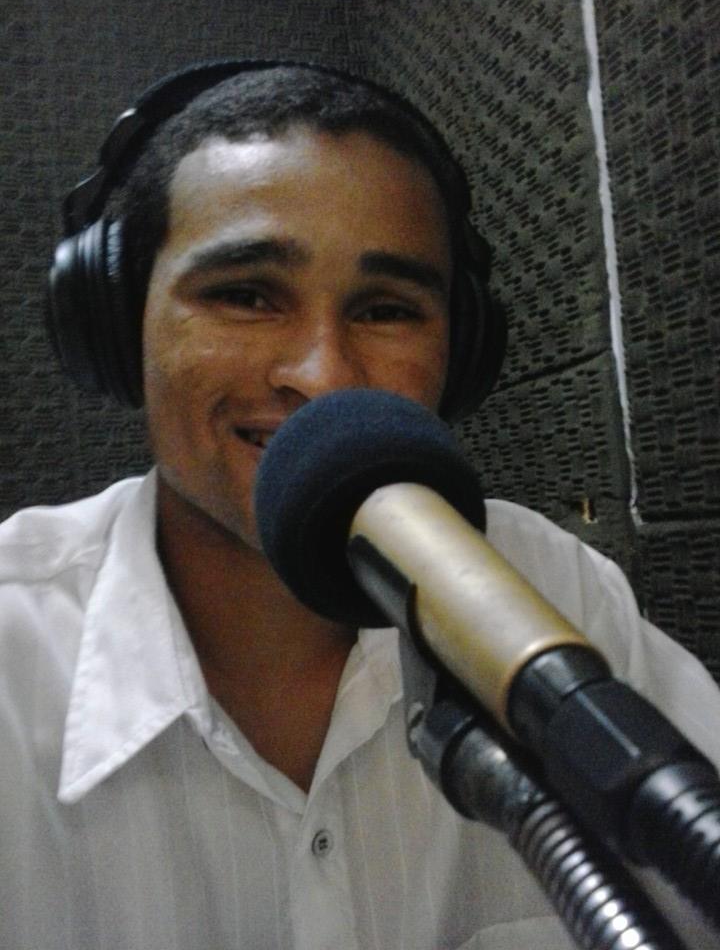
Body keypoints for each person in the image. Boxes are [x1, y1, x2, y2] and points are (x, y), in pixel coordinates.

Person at [1, 61, 718, 950]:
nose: (325, 374)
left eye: (385, 309)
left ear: (462, 351)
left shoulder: (555, 593)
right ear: (116, 324)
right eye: (246, 295)